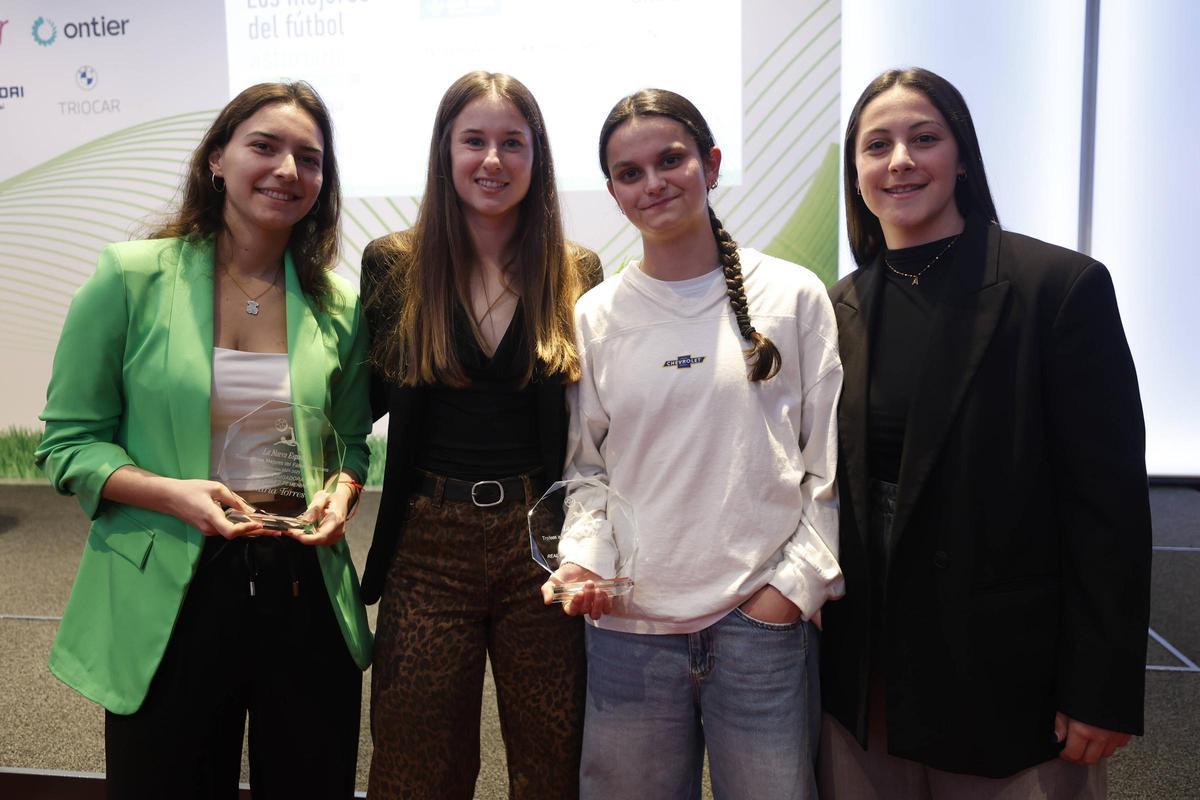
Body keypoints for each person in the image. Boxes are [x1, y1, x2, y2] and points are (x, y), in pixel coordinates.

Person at [819, 67, 1152, 798]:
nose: (900, 160)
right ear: (857, 173)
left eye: (923, 138)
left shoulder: (1057, 289)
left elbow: (1109, 509)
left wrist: (1102, 686)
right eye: (877, 146)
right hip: (868, 685)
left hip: (1007, 682)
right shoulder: (834, 309)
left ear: (961, 155)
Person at [35, 81, 372, 798]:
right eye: (264, 146)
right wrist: (170, 493)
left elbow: (351, 444)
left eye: (308, 158)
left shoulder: (338, 304)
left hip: (299, 584)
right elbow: (70, 442)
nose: (287, 169)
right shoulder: (129, 279)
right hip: (172, 589)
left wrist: (341, 495)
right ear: (217, 159)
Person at [543, 88, 844, 800]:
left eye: (670, 159)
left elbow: (826, 469)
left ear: (710, 165)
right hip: (629, 632)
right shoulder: (596, 314)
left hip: (759, 631)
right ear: (614, 193)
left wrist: (786, 594)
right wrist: (585, 563)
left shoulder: (794, 297)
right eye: (629, 172)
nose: (653, 183)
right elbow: (586, 472)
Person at [360, 71, 601, 799]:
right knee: (413, 764)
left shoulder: (574, 270)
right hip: (429, 543)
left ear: (537, 159)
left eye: (511, 143)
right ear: (445, 152)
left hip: (544, 542)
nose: (492, 160)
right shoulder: (396, 265)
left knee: (555, 759)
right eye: (474, 141)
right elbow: (354, 401)